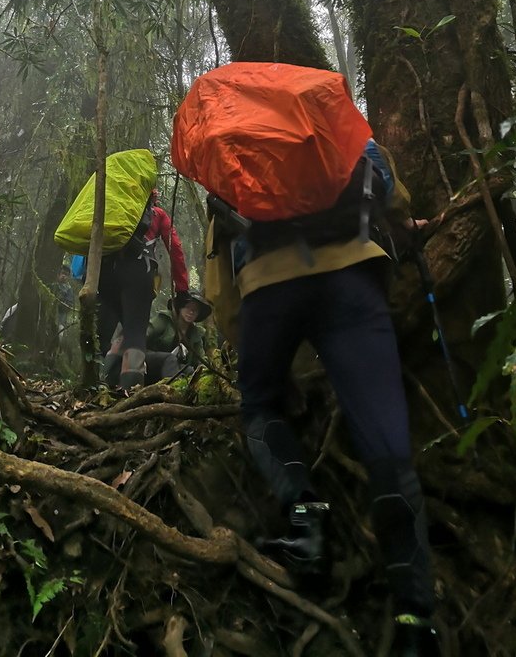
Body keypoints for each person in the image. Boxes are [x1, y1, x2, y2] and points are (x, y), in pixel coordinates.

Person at [212, 141, 440, 657]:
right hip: (354, 278)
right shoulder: (346, 132)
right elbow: (392, 199)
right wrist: (405, 234)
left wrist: (246, 339)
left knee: (260, 405)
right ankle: (414, 619)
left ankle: (307, 522)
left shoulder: (235, 156)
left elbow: (221, 282)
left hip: (270, 287)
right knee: (387, 443)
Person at [96, 189, 189, 389]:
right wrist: (182, 288)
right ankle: (130, 390)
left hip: (105, 273)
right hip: (138, 273)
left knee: (113, 332)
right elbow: (176, 249)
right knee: (136, 332)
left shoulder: (113, 209)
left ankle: (101, 383)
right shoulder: (157, 215)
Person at [144, 289, 211, 382]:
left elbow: (201, 359)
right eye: (188, 307)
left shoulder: (195, 334)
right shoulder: (164, 320)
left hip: (171, 368)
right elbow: (144, 336)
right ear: (180, 307)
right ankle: (172, 391)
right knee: (170, 359)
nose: (191, 312)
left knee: (190, 370)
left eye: (195, 310)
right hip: (148, 361)